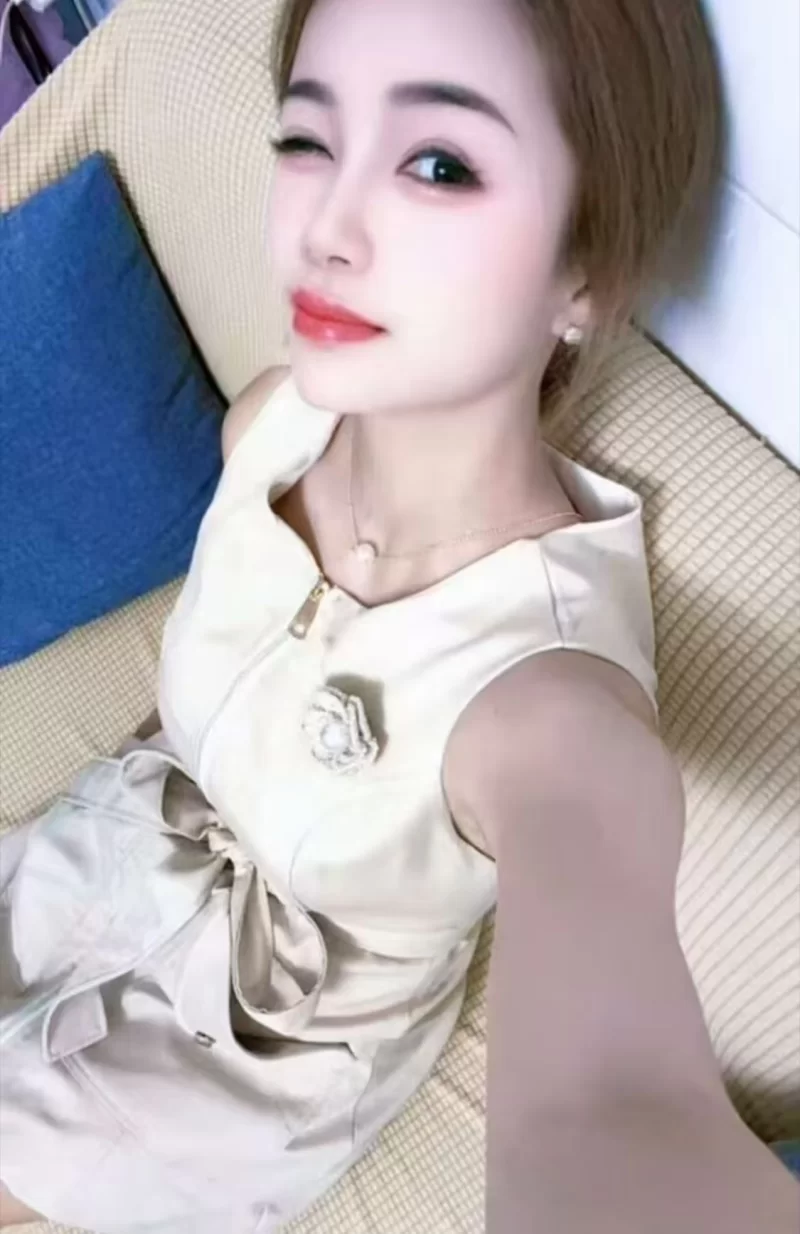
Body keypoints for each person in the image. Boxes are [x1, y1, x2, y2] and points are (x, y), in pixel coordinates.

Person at [1, 0, 797, 1230]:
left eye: (436, 164)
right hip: (104, 849)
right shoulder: (273, 421)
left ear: (584, 277)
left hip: (247, 1063)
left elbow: (608, 1102)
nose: (325, 225)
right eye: (307, 141)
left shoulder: (547, 695)